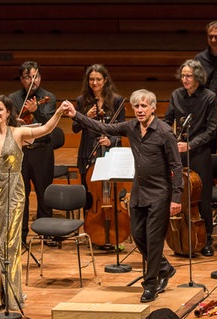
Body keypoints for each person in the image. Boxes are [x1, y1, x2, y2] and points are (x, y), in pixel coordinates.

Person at [63, 89, 183, 303]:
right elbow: (103, 127)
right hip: (139, 192)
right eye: (136, 106)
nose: (139, 110)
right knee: (137, 235)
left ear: (153, 108)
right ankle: (164, 268)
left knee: (154, 241)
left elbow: (176, 165)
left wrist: (176, 197)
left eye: (144, 106)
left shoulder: (164, 132)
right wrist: (76, 115)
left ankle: (150, 285)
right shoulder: (131, 127)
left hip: (160, 194)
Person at [0, 95, 66, 311]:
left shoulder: (18, 133)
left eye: (0, 109)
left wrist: (59, 113)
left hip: (13, 196)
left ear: (8, 113)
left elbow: (45, 130)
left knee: (8, 244)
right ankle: (2, 289)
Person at [164, 59, 217, 257]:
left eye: (189, 76)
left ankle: (207, 239)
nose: (184, 79)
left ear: (198, 78)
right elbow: (168, 120)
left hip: (200, 152)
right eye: (183, 75)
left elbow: (211, 130)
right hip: (178, 151)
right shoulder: (176, 95)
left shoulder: (209, 97)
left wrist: (191, 144)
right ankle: (181, 237)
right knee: (178, 194)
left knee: (202, 198)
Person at [8, 61, 57, 244]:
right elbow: (7, 124)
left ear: (40, 77)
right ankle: (20, 235)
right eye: (28, 77)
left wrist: (36, 112)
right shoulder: (12, 99)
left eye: (35, 76)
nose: (32, 80)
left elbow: (48, 125)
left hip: (41, 151)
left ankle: (47, 233)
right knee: (21, 195)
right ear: (22, 79)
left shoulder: (48, 98)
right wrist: (15, 122)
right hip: (21, 152)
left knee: (44, 194)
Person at [72, 64, 125, 220]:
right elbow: (75, 128)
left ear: (105, 80)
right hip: (89, 150)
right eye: (91, 79)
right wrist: (86, 116)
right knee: (90, 194)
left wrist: (111, 139)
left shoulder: (117, 100)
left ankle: (113, 228)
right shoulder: (82, 101)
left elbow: (122, 128)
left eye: (98, 79)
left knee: (112, 193)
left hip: (110, 151)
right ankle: (92, 230)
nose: (94, 83)